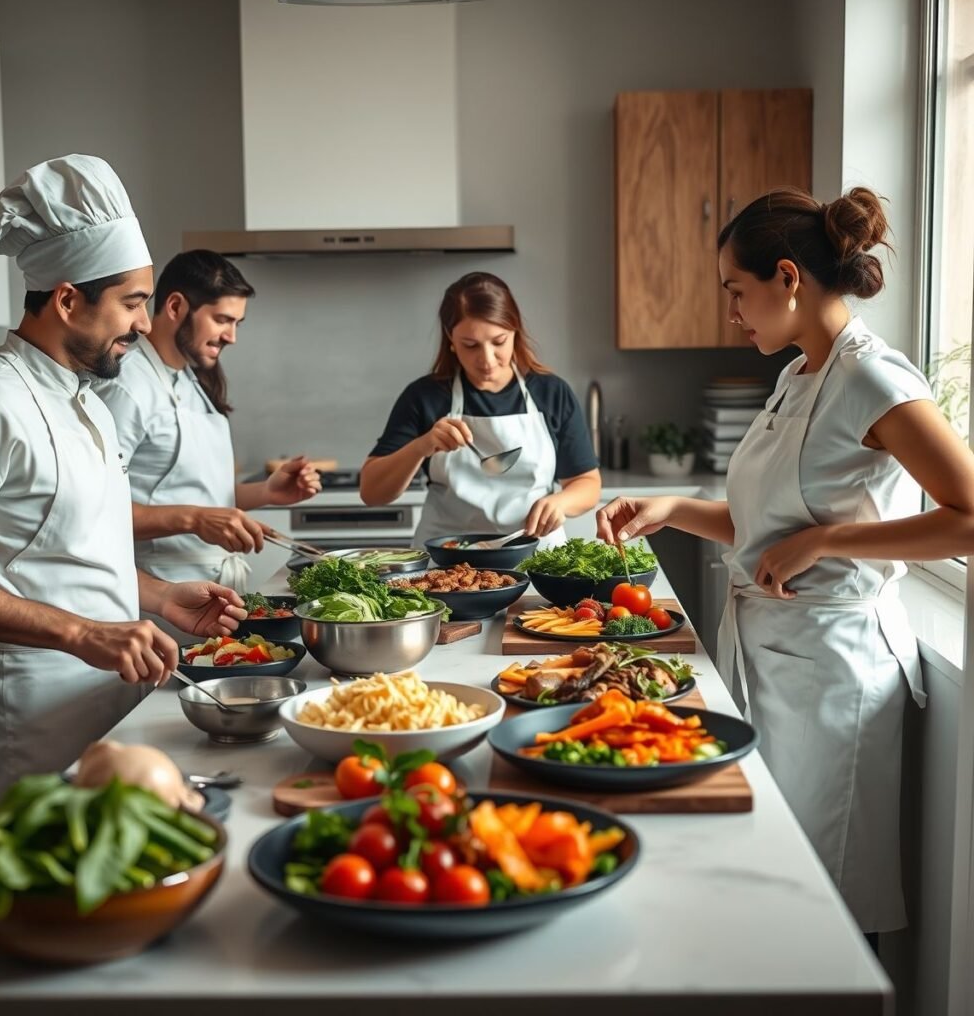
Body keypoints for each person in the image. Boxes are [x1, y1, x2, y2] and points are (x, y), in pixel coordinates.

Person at [597, 187, 974, 934]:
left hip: (835, 672)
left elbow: (967, 517)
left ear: (788, 279)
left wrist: (830, 541)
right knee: (772, 883)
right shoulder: (798, 375)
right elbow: (764, 525)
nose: (733, 312)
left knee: (826, 901)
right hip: (772, 656)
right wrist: (670, 509)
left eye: (738, 291)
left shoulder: (873, 379)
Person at [0, 155, 246, 814]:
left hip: (109, 695)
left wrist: (162, 596)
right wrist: (84, 634)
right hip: (27, 713)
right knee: (27, 907)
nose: (144, 325)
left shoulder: (84, 400)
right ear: (65, 299)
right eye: (132, 304)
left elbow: (73, 553)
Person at [96, 250, 320, 593]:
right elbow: (95, 509)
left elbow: (193, 493)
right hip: (160, 594)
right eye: (222, 320)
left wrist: (267, 491)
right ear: (175, 307)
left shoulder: (188, 380)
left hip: (213, 590)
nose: (231, 336)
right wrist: (196, 519)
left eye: (236, 323)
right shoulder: (127, 388)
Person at [361, 272, 601, 546]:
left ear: (515, 331)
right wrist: (422, 445)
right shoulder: (424, 397)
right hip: (446, 563)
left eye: (498, 342)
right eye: (470, 345)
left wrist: (561, 502)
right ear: (451, 339)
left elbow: (587, 483)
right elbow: (372, 493)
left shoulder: (551, 392)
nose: (486, 360)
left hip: (536, 559)